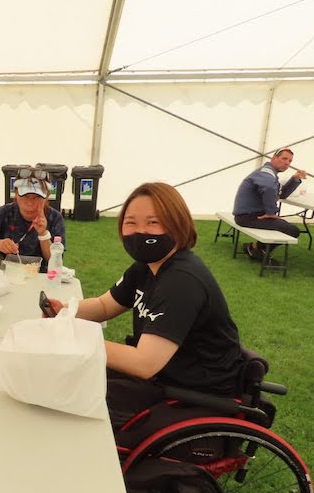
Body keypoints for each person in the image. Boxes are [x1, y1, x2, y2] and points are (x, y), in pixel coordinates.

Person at [47, 183, 243, 428]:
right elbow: (105, 306)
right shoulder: (147, 266)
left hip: (193, 392)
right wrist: (66, 311)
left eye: (153, 222)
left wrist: (76, 338)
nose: (140, 232)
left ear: (178, 224)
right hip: (164, 374)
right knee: (69, 375)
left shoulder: (182, 281)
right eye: (131, 222)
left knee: (71, 395)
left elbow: (144, 363)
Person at [0, 168, 66, 270]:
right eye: (25, 196)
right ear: (16, 194)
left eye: (37, 197)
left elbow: (55, 261)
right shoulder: (5, 212)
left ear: (46, 196)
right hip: (7, 271)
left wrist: (43, 234)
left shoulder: (55, 218)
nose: (30, 203)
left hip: (40, 274)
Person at [233, 147, 306, 262]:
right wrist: (271, 213)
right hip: (248, 217)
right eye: (284, 159)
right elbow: (269, 188)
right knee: (292, 230)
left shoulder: (269, 173)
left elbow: (280, 194)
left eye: (290, 161)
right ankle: (257, 249)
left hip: (250, 215)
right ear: (274, 158)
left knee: (286, 226)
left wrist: (295, 179)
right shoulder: (266, 173)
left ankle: (254, 248)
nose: (287, 163)